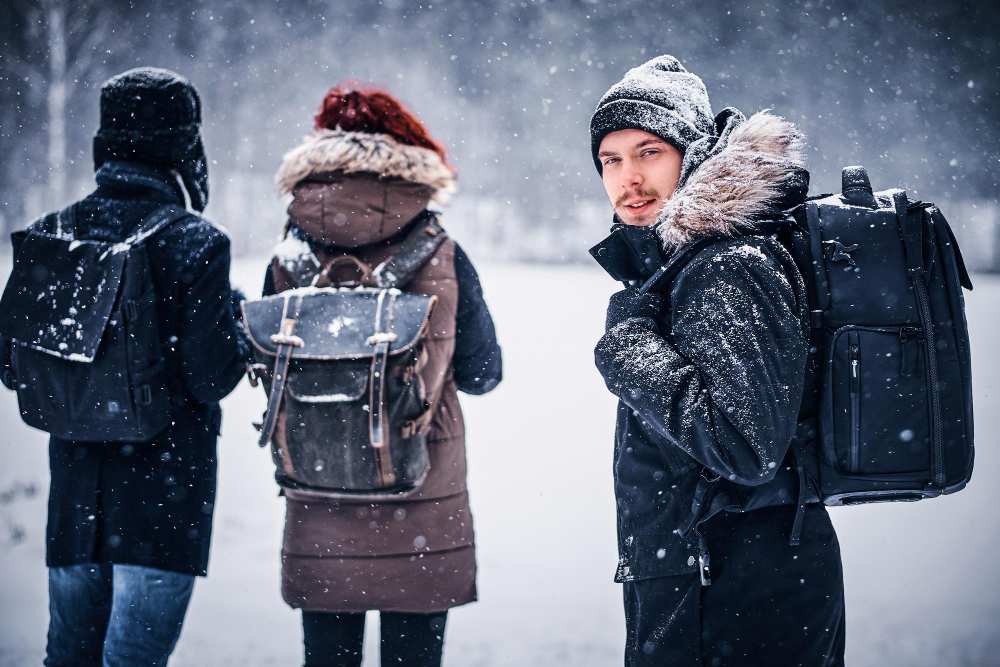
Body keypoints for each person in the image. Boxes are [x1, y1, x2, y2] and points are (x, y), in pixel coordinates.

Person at [589, 55, 845, 666]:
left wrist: (629, 350)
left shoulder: (727, 265)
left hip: (738, 591)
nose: (628, 177)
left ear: (693, 155)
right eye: (610, 160)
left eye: (649, 152)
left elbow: (744, 446)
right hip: (712, 578)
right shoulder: (687, 266)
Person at [0, 67, 249, 666]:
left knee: (67, 658)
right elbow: (211, 377)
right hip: (161, 508)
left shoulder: (55, 233)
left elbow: (12, 366)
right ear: (184, 148)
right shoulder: (196, 242)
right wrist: (238, 324)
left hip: (75, 511)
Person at [263, 83, 502, 667]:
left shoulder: (289, 256)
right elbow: (483, 374)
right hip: (422, 496)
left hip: (319, 488)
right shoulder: (442, 251)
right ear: (408, 150)